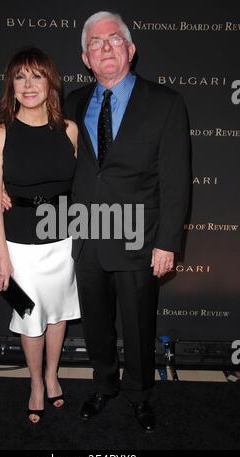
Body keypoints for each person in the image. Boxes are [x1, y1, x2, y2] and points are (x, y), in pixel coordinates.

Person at [64, 11, 190, 432]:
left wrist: (168, 241)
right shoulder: (71, 103)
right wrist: (12, 190)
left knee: (138, 324)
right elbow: (53, 162)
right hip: (86, 234)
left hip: (141, 235)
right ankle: (104, 385)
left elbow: (175, 180)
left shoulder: (166, 103)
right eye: (96, 44)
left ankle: (139, 394)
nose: (105, 49)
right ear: (86, 58)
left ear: (131, 50)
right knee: (96, 322)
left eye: (113, 40)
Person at [0, 47, 80, 424]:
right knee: (30, 317)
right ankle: (35, 383)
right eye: (20, 77)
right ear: (11, 85)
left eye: (36, 76)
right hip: (19, 244)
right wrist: (1, 255)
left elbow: (85, 184)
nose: (28, 85)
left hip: (64, 239)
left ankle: (53, 376)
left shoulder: (69, 130)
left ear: (50, 82)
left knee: (57, 315)